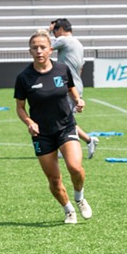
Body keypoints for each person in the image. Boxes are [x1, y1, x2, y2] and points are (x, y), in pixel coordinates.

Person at [14, 29, 93, 224]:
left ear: (51, 49)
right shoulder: (24, 78)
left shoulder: (61, 69)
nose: (39, 51)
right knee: (54, 180)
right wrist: (29, 122)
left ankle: (79, 197)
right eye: (35, 48)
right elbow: (20, 108)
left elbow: (71, 88)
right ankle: (69, 210)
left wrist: (78, 100)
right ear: (30, 51)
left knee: (75, 168)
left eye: (42, 47)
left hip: (66, 127)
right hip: (42, 135)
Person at [49, 18, 99, 159]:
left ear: (60, 30)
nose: (54, 35)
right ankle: (89, 141)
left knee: (63, 119)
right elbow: (81, 67)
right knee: (64, 118)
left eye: (54, 31)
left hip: (67, 85)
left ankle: (74, 146)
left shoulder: (64, 40)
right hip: (76, 84)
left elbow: (45, 47)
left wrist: (46, 31)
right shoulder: (78, 43)